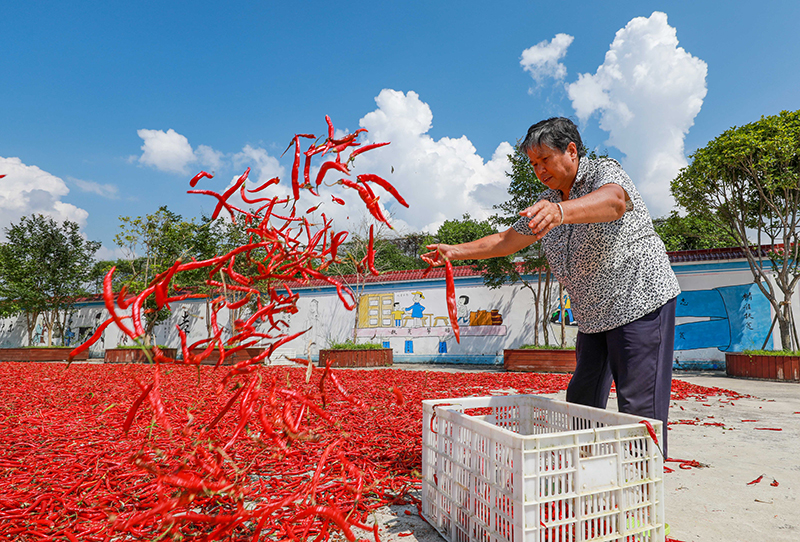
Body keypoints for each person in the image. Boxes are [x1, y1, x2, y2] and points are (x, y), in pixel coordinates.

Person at [421, 117, 680, 456]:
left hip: (638, 300)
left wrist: (561, 212)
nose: (539, 169)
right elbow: (505, 239)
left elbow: (614, 202)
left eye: (544, 159)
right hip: (593, 315)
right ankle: (585, 469)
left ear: (571, 151)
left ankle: (643, 485)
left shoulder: (603, 172)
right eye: (533, 164)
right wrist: (454, 251)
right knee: (582, 399)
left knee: (638, 405)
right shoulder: (545, 201)